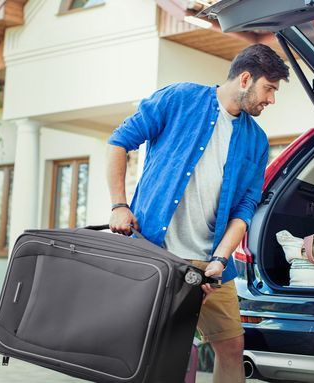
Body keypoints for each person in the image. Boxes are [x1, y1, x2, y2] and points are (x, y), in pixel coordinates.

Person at [106, 43, 289, 383]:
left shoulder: (256, 141)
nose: (271, 99)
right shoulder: (179, 99)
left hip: (213, 262)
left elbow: (244, 208)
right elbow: (119, 141)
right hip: (159, 254)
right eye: (269, 89)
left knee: (232, 348)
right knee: (162, 350)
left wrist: (220, 260)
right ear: (246, 79)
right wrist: (119, 205)